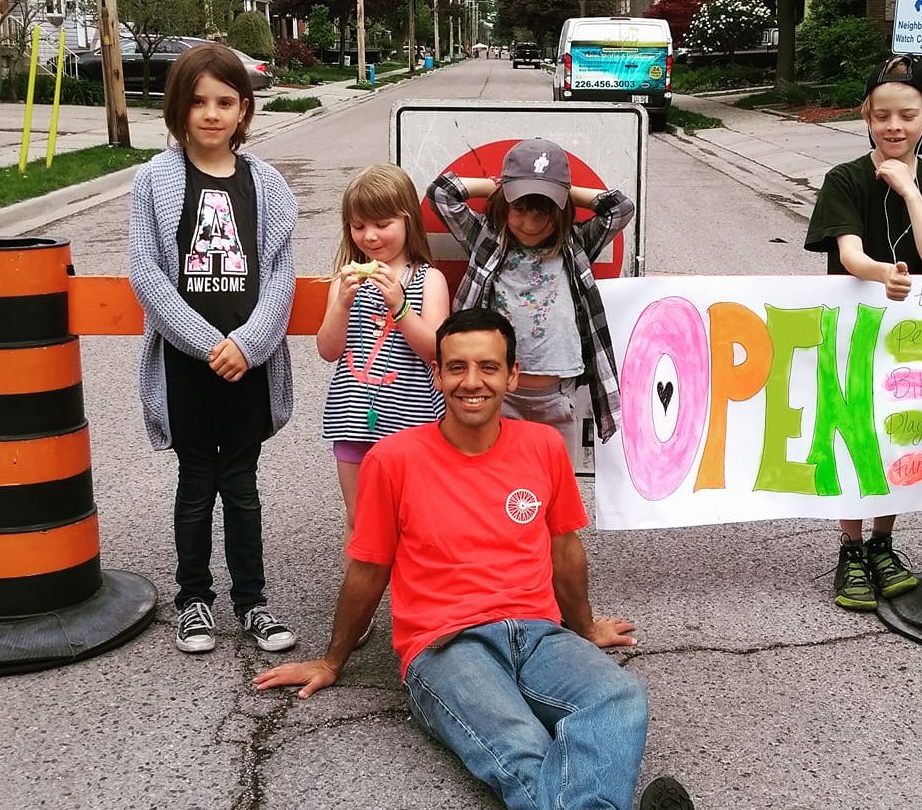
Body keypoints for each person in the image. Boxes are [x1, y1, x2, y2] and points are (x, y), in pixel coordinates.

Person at [253, 309, 693, 810]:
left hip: (539, 633)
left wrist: (586, 627)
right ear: (437, 373)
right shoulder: (391, 460)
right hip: (446, 646)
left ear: (512, 375)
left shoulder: (544, 446)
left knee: (620, 698)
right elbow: (369, 570)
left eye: (488, 367)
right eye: (457, 367)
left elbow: (565, 550)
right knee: (524, 746)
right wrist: (333, 660)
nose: (472, 382)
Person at [127, 43, 300, 655]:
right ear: (178, 108)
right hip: (188, 365)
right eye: (198, 102)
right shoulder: (154, 180)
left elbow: (280, 275)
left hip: (249, 365)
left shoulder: (266, 184)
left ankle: (253, 602)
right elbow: (146, 272)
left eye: (225, 102)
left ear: (243, 109)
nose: (211, 113)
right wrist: (207, 344)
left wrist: (248, 344)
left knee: (243, 486)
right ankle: (194, 600)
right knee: (197, 482)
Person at [802, 56, 922, 611]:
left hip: (914, 337)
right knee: (853, 433)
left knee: (897, 434)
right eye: (882, 116)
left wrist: (908, 189)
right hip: (854, 328)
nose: (894, 127)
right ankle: (851, 548)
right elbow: (849, 253)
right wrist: (882, 273)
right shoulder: (844, 179)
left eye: (907, 116)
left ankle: (882, 541)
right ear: (866, 118)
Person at [428, 138, 633, 461]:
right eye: (520, 209)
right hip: (497, 396)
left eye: (544, 212)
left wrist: (562, 190)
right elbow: (442, 193)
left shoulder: (575, 245)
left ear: (561, 210)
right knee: (496, 476)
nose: (531, 224)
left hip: (557, 396)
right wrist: (501, 186)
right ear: (504, 204)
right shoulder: (487, 240)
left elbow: (619, 208)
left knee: (554, 477)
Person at [316, 164, 450, 643]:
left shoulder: (428, 280)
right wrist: (340, 304)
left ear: (408, 221)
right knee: (361, 521)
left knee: (417, 521)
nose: (369, 237)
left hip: (413, 425)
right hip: (351, 421)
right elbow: (328, 349)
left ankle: (422, 606)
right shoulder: (343, 282)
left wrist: (399, 306)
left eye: (381, 224)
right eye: (358, 226)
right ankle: (363, 606)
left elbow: (435, 349)